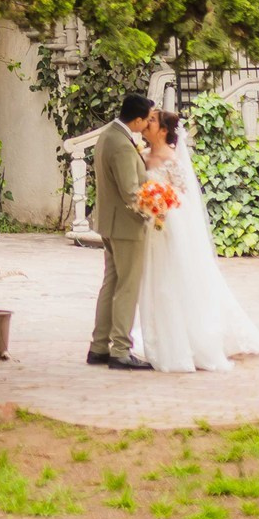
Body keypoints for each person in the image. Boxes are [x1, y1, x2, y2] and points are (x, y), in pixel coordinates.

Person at [133, 108, 259, 372]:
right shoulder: (142, 156)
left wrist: (163, 203)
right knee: (156, 282)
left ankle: (190, 341)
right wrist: (150, 204)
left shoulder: (172, 159)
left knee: (177, 281)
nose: (146, 125)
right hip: (152, 229)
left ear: (162, 130)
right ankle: (161, 338)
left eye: (151, 122)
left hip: (173, 228)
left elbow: (184, 196)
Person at [86, 93, 159, 371]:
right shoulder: (123, 145)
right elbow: (131, 192)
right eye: (147, 119)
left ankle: (99, 346)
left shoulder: (108, 135)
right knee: (127, 287)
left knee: (111, 284)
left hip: (108, 222)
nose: (149, 123)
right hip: (126, 227)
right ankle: (120, 350)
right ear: (137, 120)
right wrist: (153, 213)